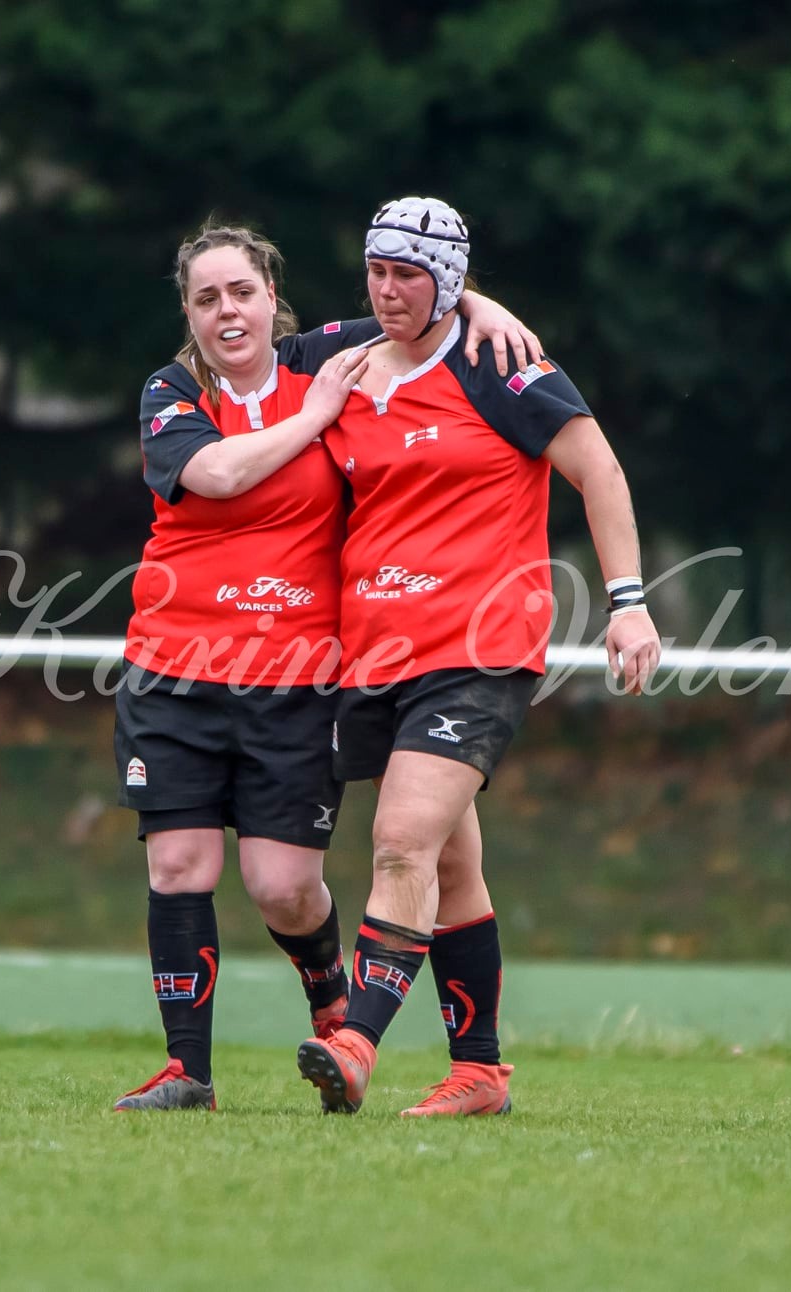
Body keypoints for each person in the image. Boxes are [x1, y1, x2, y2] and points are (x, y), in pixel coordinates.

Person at [112, 222, 543, 1111]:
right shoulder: (171, 390)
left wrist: (476, 301)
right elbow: (220, 474)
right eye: (205, 299)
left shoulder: (328, 358)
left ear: (274, 296)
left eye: (241, 292)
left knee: (284, 887)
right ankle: (187, 1071)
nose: (226, 312)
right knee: (180, 866)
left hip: (296, 680)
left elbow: (420, 311)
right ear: (188, 315)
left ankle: (330, 997)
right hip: (173, 672)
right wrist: (311, 423)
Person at [295, 196, 661, 1116]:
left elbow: (600, 469)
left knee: (401, 842)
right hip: (374, 654)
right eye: (376, 272)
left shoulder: (500, 363)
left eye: (409, 276)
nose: (387, 292)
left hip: (478, 649)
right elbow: (250, 340)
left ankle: (357, 1044)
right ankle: (481, 1073)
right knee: (451, 868)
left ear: (449, 280)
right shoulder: (340, 361)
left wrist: (627, 604)